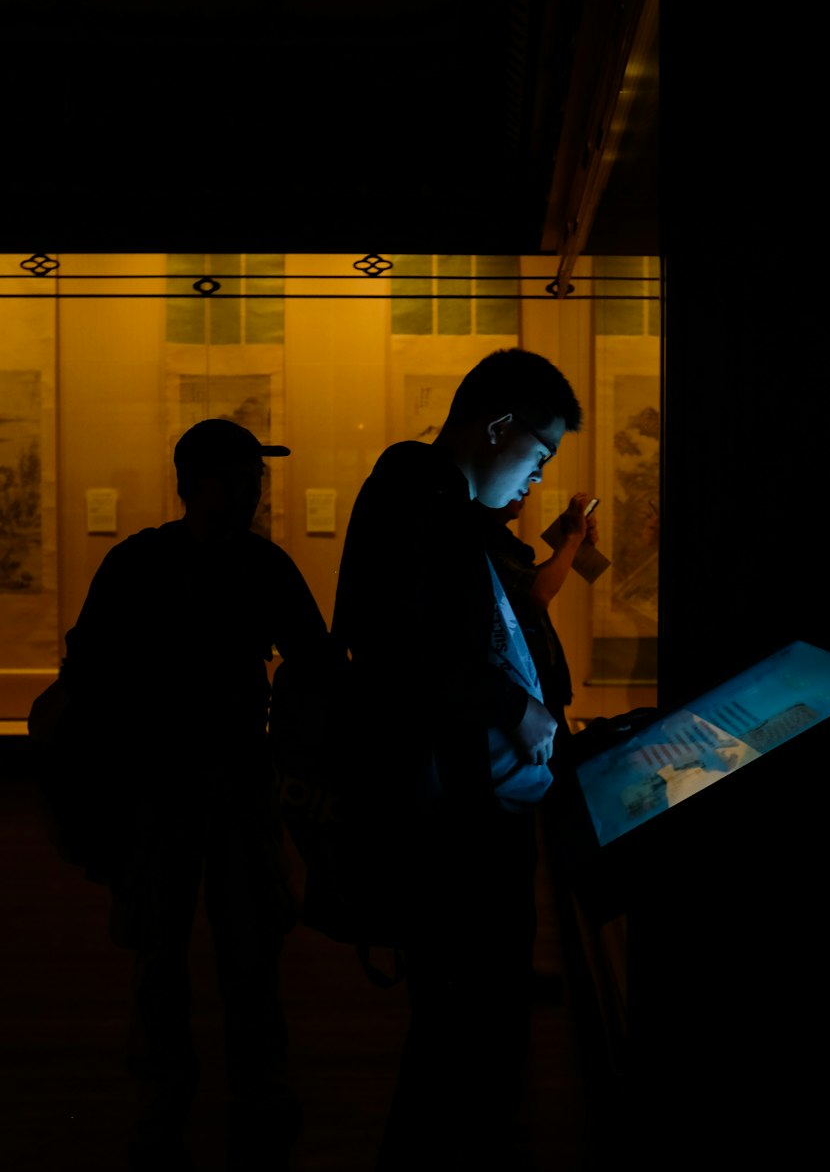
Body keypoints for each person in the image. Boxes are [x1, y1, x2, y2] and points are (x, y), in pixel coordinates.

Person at [330, 347, 584, 1170]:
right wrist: (516, 707)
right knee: (461, 1039)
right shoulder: (417, 485)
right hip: (453, 831)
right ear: (499, 426)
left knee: (465, 1032)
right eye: (539, 453)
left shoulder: (448, 511)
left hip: (472, 818)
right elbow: (406, 640)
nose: (538, 477)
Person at [56, 418, 329, 1172]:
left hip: (200, 781)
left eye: (253, 480)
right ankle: (235, 1088)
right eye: (237, 479)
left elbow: (86, 669)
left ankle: (177, 1095)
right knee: (195, 943)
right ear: (193, 485)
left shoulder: (143, 563)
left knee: (199, 944)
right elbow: (313, 660)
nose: (249, 493)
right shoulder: (251, 566)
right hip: (188, 782)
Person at [479, 491, 599, 759]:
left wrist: (572, 541)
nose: (529, 486)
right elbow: (535, 593)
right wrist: (571, 540)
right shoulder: (478, 539)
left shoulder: (496, 538)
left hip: (529, 694)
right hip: (518, 699)